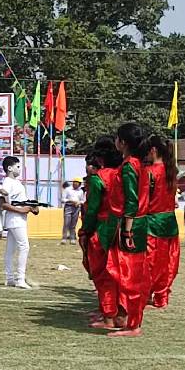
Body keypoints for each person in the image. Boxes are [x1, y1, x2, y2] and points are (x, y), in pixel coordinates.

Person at [109, 122, 151, 337]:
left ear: (123, 142)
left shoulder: (128, 167)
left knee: (130, 276)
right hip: (135, 223)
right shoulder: (136, 164)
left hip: (131, 224)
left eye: (117, 137)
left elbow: (132, 202)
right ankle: (127, 319)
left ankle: (133, 325)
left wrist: (126, 230)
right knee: (128, 274)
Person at [78, 136, 122, 330]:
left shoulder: (99, 179)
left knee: (102, 274)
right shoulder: (122, 173)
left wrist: (85, 230)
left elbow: (93, 209)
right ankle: (119, 313)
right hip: (121, 227)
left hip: (103, 228)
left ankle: (108, 317)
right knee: (118, 273)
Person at [145, 135, 179, 309]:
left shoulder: (150, 172)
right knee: (168, 261)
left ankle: (150, 295)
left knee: (150, 261)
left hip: (153, 221)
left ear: (153, 150)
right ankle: (162, 296)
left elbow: (145, 200)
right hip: (170, 221)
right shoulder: (172, 170)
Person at [0, 156, 37, 289]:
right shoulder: (8, 182)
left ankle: (10, 277)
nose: (19, 169)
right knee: (24, 246)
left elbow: (23, 201)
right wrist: (21, 209)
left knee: (11, 249)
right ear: (10, 168)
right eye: (18, 166)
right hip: (15, 218)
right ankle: (20, 278)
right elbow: (5, 199)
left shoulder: (17, 183)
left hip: (18, 218)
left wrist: (32, 206)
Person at [61, 178, 85, 245]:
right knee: (66, 223)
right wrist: (70, 201)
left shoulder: (80, 191)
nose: (76, 184)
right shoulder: (67, 189)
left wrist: (79, 202)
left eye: (78, 183)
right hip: (68, 206)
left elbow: (83, 200)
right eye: (75, 182)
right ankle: (64, 238)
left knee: (73, 224)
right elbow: (63, 199)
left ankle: (72, 238)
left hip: (76, 208)